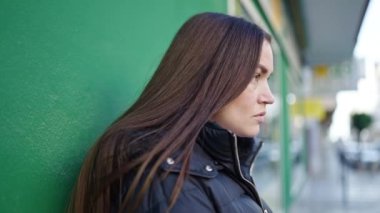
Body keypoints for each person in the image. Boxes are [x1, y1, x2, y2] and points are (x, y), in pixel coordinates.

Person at [69, 12, 275, 213]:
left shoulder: (217, 163)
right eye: (255, 76)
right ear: (207, 76)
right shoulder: (168, 179)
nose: (269, 97)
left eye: (268, 79)